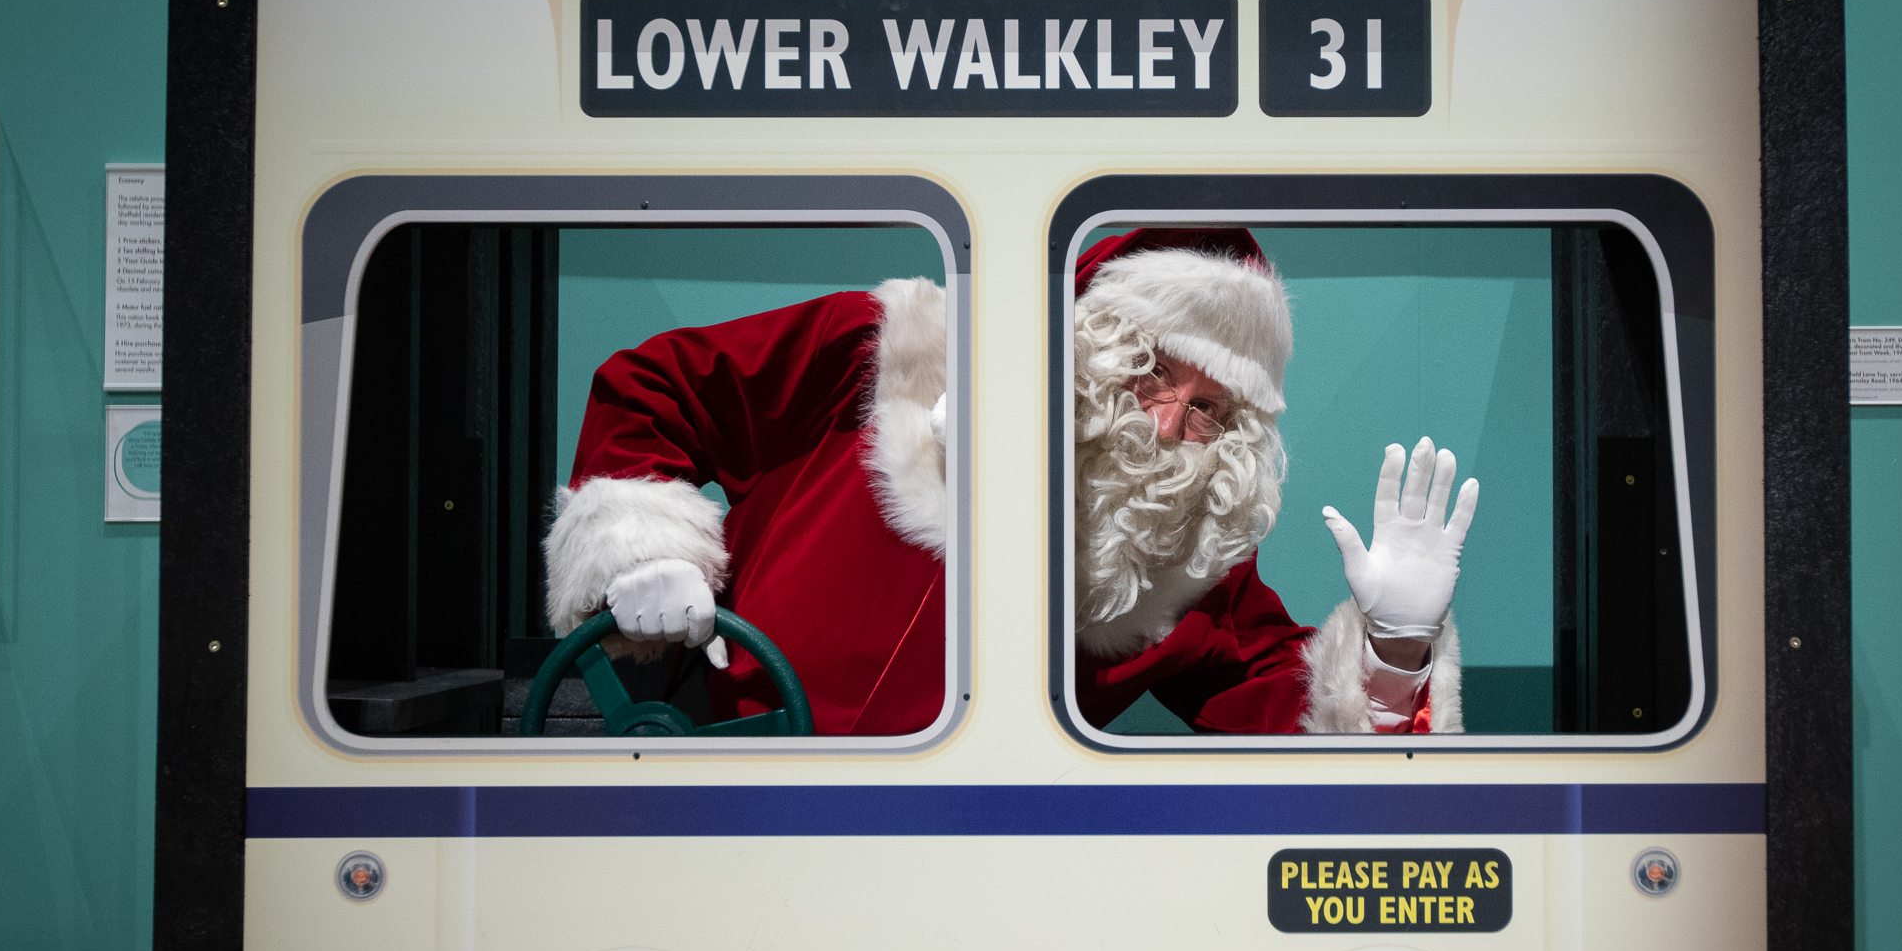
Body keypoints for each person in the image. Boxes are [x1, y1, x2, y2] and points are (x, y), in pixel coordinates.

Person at [543, 228, 1477, 736]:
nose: (1165, 424)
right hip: (725, 804)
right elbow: (654, 388)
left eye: (1207, 410)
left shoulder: (1187, 563)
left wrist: (1394, 651)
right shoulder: (898, 352)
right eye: (1155, 371)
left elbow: (1279, 696)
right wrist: (646, 552)